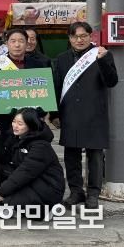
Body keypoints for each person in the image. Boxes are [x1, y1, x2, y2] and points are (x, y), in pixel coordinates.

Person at [54, 21, 118, 209]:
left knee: (95, 156)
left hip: (94, 114)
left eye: (83, 36)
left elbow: (112, 81)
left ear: (91, 36)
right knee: (71, 156)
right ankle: (76, 192)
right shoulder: (62, 58)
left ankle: (93, 194)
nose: (79, 40)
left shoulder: (101, 54)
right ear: (69, 38)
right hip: (70, 114)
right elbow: (57, 86)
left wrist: (103, 60)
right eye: (75, 36)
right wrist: (54, 114)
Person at [0, 29, 51, 145]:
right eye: (13, 41)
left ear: (26, 43)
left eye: (21, 41)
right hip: (4, 124)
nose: (17, 45)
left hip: (30, 124)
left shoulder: (38, 65)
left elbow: (45, 94)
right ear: (7, 44)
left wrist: (40, 114)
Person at [0, 109, 64, 209]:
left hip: (47, 187)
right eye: (14, 121)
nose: (15, 126)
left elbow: (25, 172)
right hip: (32, 182)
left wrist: (2, 192)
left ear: (30, 125)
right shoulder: (17, 138)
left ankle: (48, 207)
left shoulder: (40, 146)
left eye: (20, 124)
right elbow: (4, 159)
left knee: (11, 202)